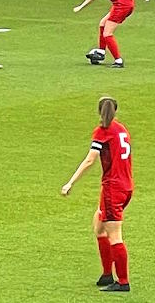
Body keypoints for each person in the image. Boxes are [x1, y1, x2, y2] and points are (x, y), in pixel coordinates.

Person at [61, 96, 134, 293]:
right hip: (126, 186)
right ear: (115, 111)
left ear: (99, 111)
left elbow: (89, 160)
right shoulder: (121, 130)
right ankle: (106, 274)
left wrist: (70, 183)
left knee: (114, 235)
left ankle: (123, 282)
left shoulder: (103, 131)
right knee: (99, 226)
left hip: (113, 188)